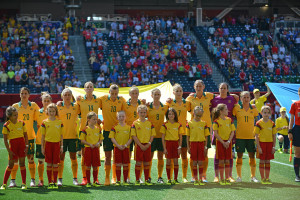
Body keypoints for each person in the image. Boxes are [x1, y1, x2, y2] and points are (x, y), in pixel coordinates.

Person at [186, 80, 214, 182]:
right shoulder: (189, 98)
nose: (198, 88)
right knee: (193, 155)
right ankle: (194, 176)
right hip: (193, 128)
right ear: (194, 87)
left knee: (205, 153)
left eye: (200, 86)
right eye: (197, 86)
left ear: (203, 86)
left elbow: (221, 97)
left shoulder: (209, 96)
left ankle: (203, 175)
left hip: (206, 128)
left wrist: (231, 94)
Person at [12, 87, 40, 187]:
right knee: (15, 159)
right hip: (17, 137)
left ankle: (32, 180)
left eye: (26, 93)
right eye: (22, 93)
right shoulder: (15, 106)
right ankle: (13, 180)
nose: (24, 95)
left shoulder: (34, 105)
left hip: (30, 137)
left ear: (29, 95)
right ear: (20, 95)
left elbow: (40, 116)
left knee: (30, 159)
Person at [211, 82, 238, 183]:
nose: (222, 90)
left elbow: (238, 102)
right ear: (218, 89)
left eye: (224, 88)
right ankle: (216, 176)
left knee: (229, 155)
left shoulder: (232, 99)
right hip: (219, 133)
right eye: (221, 88)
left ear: (227, 89)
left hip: (229, 132)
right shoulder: (214, 99)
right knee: (218, 155)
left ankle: (229, 176)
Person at [99, 84, 126, 185]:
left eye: (116, 93)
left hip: (118, 131)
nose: (114, 95)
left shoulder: (121, 100)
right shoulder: (103, 99)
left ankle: (114, 177)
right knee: (107, 156)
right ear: (109, 92)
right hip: (106, 131)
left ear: (118, 93)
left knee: (116, 156)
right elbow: (92, 103)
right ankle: (107, 178)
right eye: (112, 93)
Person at [76, 81, 102, 185]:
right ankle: (84, 178)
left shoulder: (98, 100)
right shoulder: (80, 100)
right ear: (84, 89)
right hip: (84, 131)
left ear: (93, 89)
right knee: (84, 156)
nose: (89, 88)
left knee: (95, 157)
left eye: (91, 87)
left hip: (95, 132)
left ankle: (96, 179)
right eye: (87, 87)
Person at [165, 84, 191, 183]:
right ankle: (170, 178)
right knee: (171, 157)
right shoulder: (169, 103)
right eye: (177, 91)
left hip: (183, 133)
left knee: (184, 155)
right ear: (173, 92)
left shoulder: (187, 103)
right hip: (171, 133)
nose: (179, 93)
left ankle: (184, 177)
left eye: (180, 91)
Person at [233, 91, 259, 182]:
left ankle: (253, 176)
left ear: (250, 98)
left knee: (252, 156)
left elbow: (258, 121)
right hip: (240, 136)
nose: (246, 99)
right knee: (239, 156)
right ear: (241, 98)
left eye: (248, 97)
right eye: (244, 97)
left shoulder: (254, 108)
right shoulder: (236, 108)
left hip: (251, 137)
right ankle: (239, 177)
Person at [0, 107, 28, 190]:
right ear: (9, 116)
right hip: (13, 146)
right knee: (10, 165)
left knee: (22, 164)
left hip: (21, 145)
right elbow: (5, 140)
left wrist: (26, 146)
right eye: (14, 115)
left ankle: (24, 184)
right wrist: (9, 151)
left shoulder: (22, 123)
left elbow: (25, 135)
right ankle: (4, 184)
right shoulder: (6, 125)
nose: (16, 116)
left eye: (17, 114)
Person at [57, 88, 80, 186]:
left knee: (73, 157)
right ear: (62, 96)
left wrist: (80, 99)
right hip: (61, 137)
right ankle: (59, 179)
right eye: (65, 95)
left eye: (69, 95)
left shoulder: (76, 106)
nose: (67, 97)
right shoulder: (58, 106)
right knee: (61, 158)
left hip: (73, 136)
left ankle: (75, 179)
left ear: (71, 96)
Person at [147, 88, 168, 184]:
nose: (157, 96)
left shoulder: (165, 106)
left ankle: (160, 177)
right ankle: (148, 176)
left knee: (160, 157)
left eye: (158, 94)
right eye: (155, 94)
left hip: (161, 136)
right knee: (149, 157)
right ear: (151, 95)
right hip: (150, 136)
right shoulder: (147, 107)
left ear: (160, 95)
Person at [131, 105, 156, 185]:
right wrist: (140, 145)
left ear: (146, 113)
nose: (142, 114)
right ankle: (137, 180)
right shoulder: (135, 123)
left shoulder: (150, 123)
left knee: (146, 163)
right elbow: (133, 136)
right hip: (139, 146)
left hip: (147, 145)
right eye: (141, 112)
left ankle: (146, 180)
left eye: (144, 112)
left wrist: (149, 143)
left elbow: (153, 135)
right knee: (138, 163)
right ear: (138, 113)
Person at [41, 103, 64, 189]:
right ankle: (49, 182)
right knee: (49, 163)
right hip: (48, 144)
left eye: (53, 111)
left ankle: (54, 182)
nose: (51, 113)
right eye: (50, 111)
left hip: (57, 144)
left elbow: (61, 135)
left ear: (56, 112)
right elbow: (43, 136)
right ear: (47, 111)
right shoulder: (44, 122)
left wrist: (61, 146)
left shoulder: (59, 122)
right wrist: (42, 147)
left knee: (55, 163)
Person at [124, 86, 143, 183]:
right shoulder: (124, 104)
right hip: (128, 133)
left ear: (138, 94)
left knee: (140, 157)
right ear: (129, 94)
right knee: (128, 156)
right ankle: (127, 177)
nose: (135, 95)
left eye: (136, 93)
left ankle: (139, 177)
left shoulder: (142, 104)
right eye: (133, 93)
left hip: (140, 133)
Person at [212, 104, 235, 185]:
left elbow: (232, 131)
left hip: (228, 143)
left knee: (227, 160)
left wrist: (228, 141)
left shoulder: (230, 120)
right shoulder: (216, 121)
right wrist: (223, 142)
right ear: (221, 111)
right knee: (221, 160)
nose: (227, 110)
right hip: (220, 143)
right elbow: (216, 134)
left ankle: (227, 178)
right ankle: (222, 179)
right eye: (225, 109)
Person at [79, 112, 103, 187]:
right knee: (88, 166)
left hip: (96, 149)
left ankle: (95, 181)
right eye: (93, 119)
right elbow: (82, 140)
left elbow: (101, 138)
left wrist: (98, 143)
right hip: (88, 149)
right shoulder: (85, 129)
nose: (95, 121)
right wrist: (89, 144)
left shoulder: (98, 129)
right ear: (88, 120)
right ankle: (88, 181)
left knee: (95, 166)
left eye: (96, 119)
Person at [187, 106, 209, 186]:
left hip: (201, 144)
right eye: (197, 115)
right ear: (193, 113)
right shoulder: (189, 123)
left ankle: (200, 179)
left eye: (200, 116)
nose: (198, 117)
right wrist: (188, 147)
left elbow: (206, 136)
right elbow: (187, 136)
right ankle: (195, 178)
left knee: (200, 162)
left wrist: (206, 146)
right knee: (194, 162)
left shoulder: (204, 123)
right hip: (193, 144)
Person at [109, 111, 132, 186]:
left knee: (125, 164)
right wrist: (118, 145)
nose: (121, 118)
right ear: (117, 118)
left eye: (123, 116)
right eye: (120, 116)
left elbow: (131, 138)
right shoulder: (114, 127)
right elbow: (112, 137)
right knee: (118, 164)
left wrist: (125, 145)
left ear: (126, 117)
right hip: (117, 148)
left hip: (126, 148)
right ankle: (118, 180)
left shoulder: (129, 127)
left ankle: (125, 180)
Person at [255, 106, 276, 184]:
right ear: (261, 113)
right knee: (262, 160)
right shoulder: (258, 123)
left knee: (267, 161)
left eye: (267, 113)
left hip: (270, 144)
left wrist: (273, 147)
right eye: (264, 112)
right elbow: (256, 136)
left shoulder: (272, 123)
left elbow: (274, 136)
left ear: (270, 114)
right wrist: (259, 147)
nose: (266, 114)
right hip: (262, 144)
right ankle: (262, 178)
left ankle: (267, 178)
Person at [161, 108, 183, 185]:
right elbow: (163, 138)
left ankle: (175, 179)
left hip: (176, 144)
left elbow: (180, 137)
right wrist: (164, 148)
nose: (171, 115)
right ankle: (169, 179)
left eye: (172, 114)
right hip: (168, 144)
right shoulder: (164, 124)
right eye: (169, 114)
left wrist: (179, 147)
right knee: (168, 161)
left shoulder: (179, 124)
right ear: (167, 115)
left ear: (175, 115)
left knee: (176, 161)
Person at [36, 92, 52, 187]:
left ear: (51, 101)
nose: (46, 103)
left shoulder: (55, 112)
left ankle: (52, 180)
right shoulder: (37, 112)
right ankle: (41, 180)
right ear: (42, 102)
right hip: (40, 140)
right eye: (44, 101)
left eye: (48, 101)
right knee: (40, 161)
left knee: (52, 162)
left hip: (52, 140)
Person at [288, 87, 300, 182]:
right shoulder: (295, 104)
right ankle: (297, 175)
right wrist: (290, 131)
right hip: (297, 130)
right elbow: (291, 119)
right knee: (297, 153)